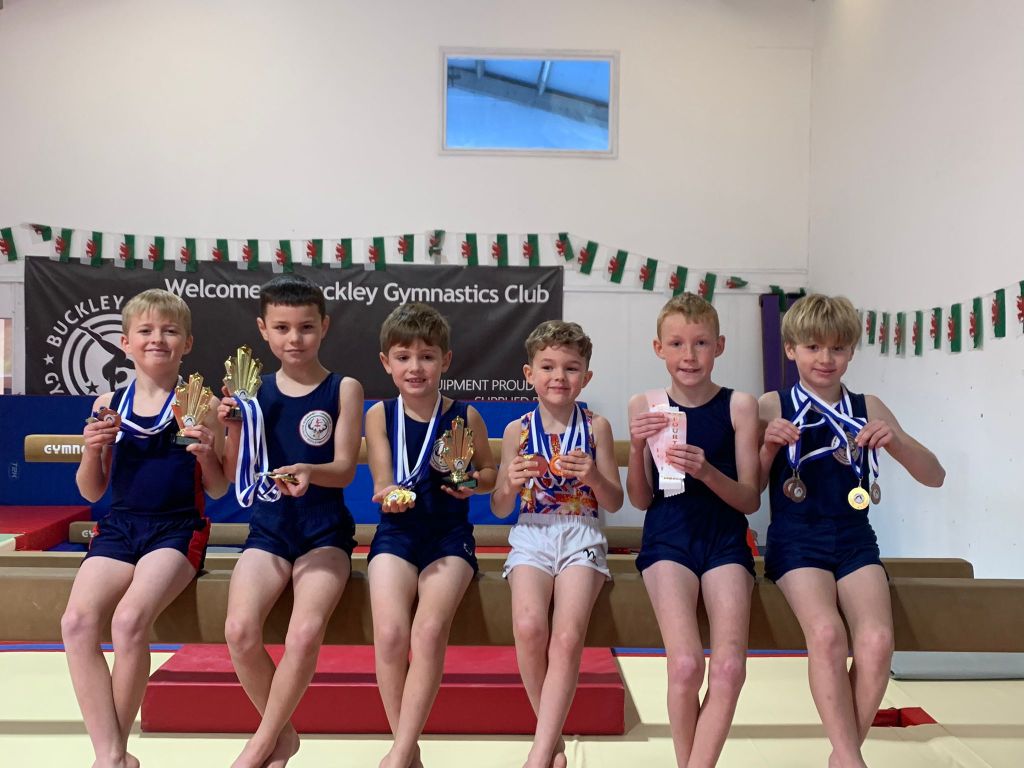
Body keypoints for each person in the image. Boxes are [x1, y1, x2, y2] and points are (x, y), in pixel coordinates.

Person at [758, 293, 944, 768]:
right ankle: (851, 759)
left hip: (855, 539)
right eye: (813, 347)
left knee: (878, 642)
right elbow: (749, 492)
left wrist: (896, 442)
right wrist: (766, 449)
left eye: (838, 348)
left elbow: (934, 475)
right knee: (826, 634)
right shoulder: (771, 405)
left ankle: (843, 757)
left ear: (852, 352)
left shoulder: (867, 405)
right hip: (797, 538)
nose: (826, 358)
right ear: (790, 350)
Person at [62, 288, 228, 768]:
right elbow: (91, 491)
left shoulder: (201, 404)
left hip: (177, 530)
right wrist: (92, 448)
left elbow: (218, 488)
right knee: (75, 623)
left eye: (170, 331)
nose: (158, 339)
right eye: (146, 331)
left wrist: (206, 453)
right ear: (125, 343)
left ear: (187, 343)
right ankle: (112, 754)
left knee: (129, 620)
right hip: (119, 527)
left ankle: (110, 758)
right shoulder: (109, 403)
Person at [219, 274, 364, 768]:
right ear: (263, 330)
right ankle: (282, 736)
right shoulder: (253, 392)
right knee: (239, 631)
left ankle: (261, 744)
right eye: (281, 328)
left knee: (303, 634)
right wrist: (233, 428)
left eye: (305, 327)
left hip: (324, 532)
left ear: (324, 326)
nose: (294, 339)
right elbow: (237, 472)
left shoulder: (343, 388)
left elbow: (344, 469)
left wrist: (309, 471)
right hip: (269, 529)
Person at [626, 292, 760, 768]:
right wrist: (636, 448)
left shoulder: (739, 405)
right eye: (677, 343)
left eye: (701, 343)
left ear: (719, 346)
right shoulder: (645, 404)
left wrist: (706, 472)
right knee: (684, 665)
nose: (689, 355)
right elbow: (641, 499)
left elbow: (750, 498)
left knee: (729, 668)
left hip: (725, 539)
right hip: (668, 539)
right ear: (658, 348)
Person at [365, 302, 497, 768]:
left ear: (446, 360)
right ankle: (407, 750)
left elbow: (489, 473)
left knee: (429, 631)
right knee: (389, 634)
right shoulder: (380, 414)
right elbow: (382, 478)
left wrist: (473, 484)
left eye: (426, 356)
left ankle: (400, 754)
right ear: (387, 362)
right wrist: (388, 493)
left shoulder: (466, 415)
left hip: (448, 538)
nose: (415, 367)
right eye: (403, 357)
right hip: (396, 534)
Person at [491, 320, 623, 768]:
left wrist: (593, 476)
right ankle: (554, 743)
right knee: (529, 628)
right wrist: (509, 484)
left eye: (571, 368)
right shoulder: (517, 430)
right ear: (529, 374)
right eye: (547, 367)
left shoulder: (597, 427)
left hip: (582, 532)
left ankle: (539, 751)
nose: (559, 377)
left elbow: (614, 501)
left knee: (567, 638)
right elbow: (499, 508)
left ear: (586, 377)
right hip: (531, 533)